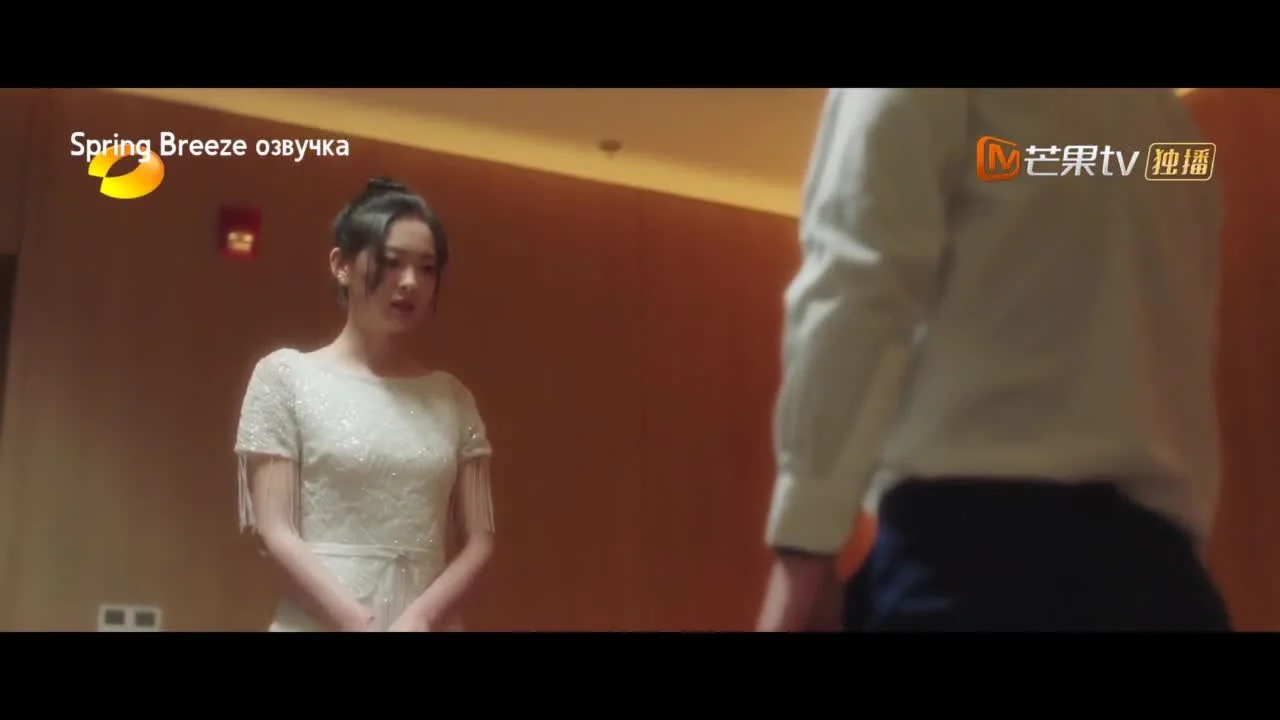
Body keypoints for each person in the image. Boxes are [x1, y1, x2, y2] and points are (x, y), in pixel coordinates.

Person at [756, 89, 1231, 632]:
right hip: (1168, 585)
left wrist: (805, 545)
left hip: (974, 568)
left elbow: (859, 278)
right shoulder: (1175, 137)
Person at [234, 177, 496, 632]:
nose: (410, 282)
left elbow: (480, 540)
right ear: (341, 264)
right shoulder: (286, 377)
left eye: (427, 268)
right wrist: (358, 622)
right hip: (322, 620)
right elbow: (275, 530)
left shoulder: (451, 397)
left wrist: (422, 617)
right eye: (391, 262)